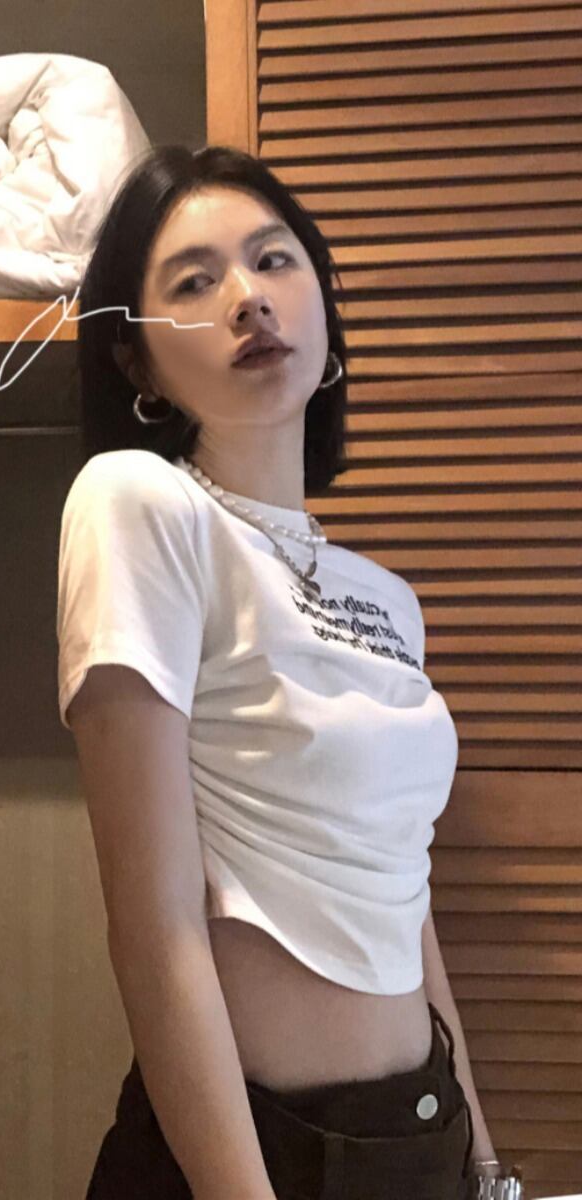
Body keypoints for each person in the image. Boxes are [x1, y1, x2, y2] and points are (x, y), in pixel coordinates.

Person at [56, 144, 497, 1200]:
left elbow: (405, 902)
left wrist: (484, 1166)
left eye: (273, 260)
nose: (247, 298)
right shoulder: (139, 504)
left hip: (422, 1134)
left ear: (322, 303)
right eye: (193, 282)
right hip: (258, 1152)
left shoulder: (387, 600)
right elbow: (152, 926)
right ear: (138, 362)